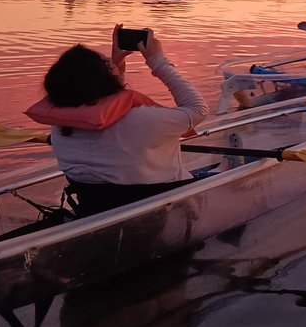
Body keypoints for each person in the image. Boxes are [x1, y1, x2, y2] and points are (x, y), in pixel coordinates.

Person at [26, 25, 210, 218]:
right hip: (169, 212)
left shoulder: (60, 128)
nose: (110, 63)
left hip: (101, 213)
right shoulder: (143, 119)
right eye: (106, 64)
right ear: (103, 79)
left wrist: (115, 65)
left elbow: (107, 108)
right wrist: (158, 61)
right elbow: (198, 109)